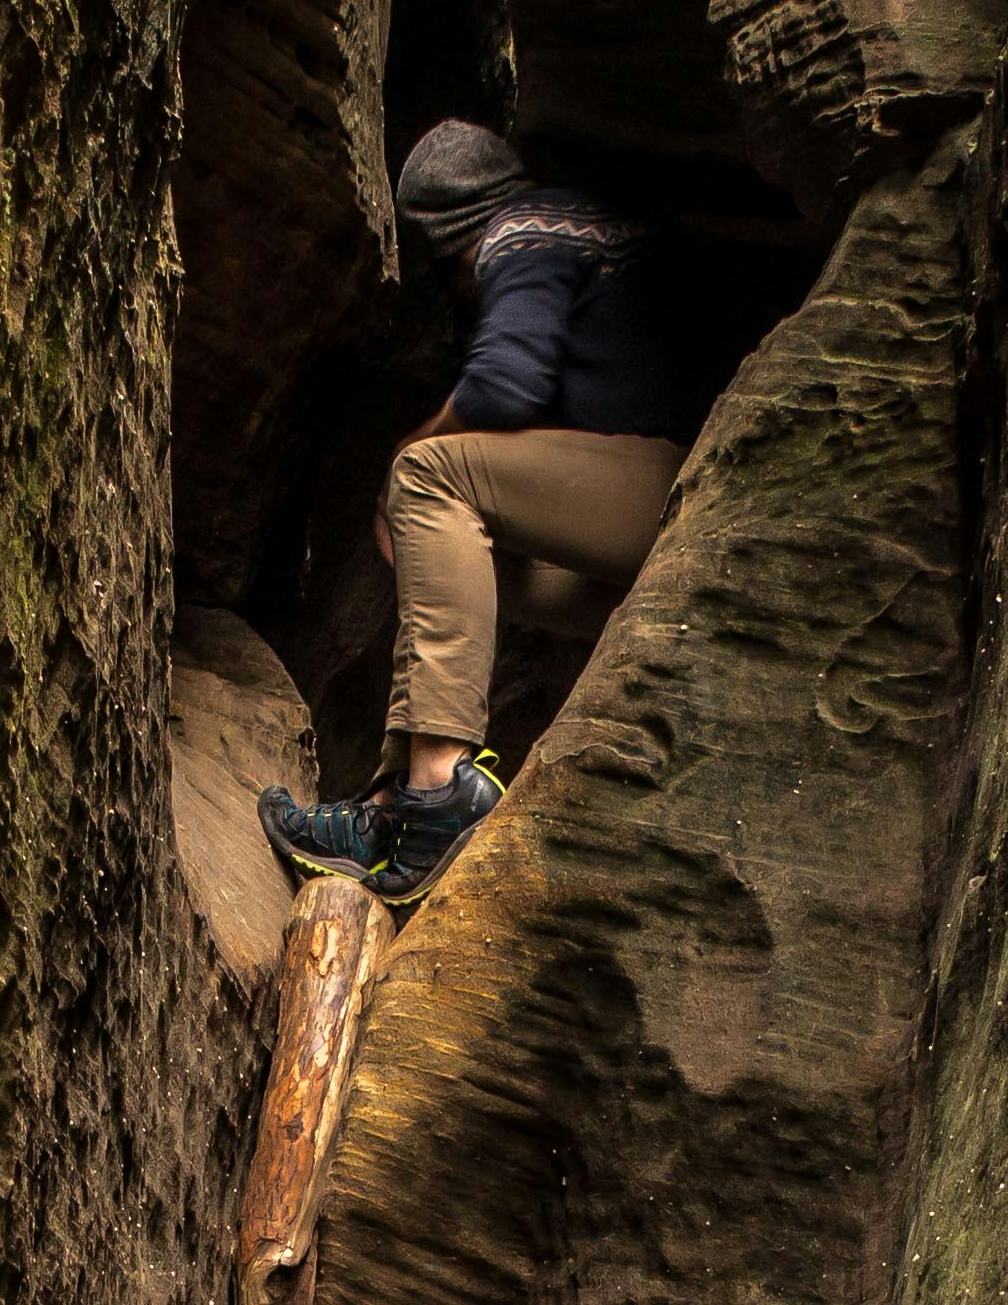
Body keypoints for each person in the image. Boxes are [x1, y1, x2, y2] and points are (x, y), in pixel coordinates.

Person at [262, 121, 693, 901]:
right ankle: (393, 808)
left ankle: (437, 790)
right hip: (648, 526)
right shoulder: (577, 226)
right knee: (461, 558)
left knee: (425, 474)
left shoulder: (525, 228)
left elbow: (504, 384)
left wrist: (406, 452)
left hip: (670, 488)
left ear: (446, 241)